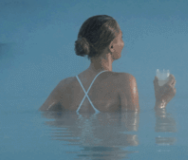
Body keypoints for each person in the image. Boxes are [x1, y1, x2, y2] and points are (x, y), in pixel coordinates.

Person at [40, 15, 176, 112]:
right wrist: (161, 102)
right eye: (121, 38)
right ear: (111, 46)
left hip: (80, 152)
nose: (123, 43)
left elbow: (42, 119)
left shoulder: (64, 86)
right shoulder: (125, 81)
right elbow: (130, 136)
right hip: (112, 152)